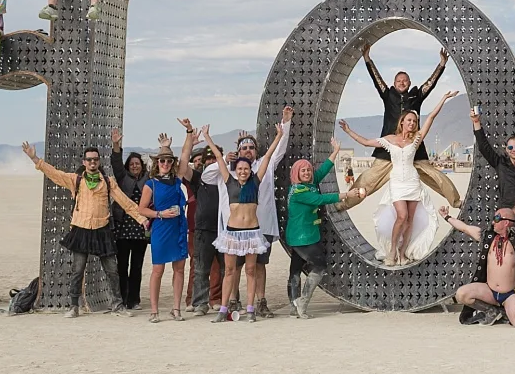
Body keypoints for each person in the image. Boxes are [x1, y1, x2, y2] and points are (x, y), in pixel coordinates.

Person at [182, 108, 292, 316]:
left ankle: (260, 302)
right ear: (238, 151)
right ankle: (232, 302)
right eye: (244, 148)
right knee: (233, 268)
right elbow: (206, 175)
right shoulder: (231, 171)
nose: (248, 150)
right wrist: (225, 158)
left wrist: (285, 124)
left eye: (251, 147)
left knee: (258, 266)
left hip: (261, 226)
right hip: (232, 228)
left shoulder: (263, 168)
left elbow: (277, 151)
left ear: (256, 151)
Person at [19, 140, 145, 317]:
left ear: (99, 161)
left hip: (102, 229)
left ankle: (117, 305)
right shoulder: (76, 179)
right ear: (84, 162)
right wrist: (35, 159)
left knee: (112, 270)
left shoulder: (108, 182)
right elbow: (55, 174)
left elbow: (125, 202)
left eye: (95, 159)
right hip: (81, 228)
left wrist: (141, 219)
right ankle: (74, 307)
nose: (93, 162)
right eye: (89, 160)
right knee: (77, 270)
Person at [337, 90, 460, 265]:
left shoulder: (416, 139)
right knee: (401, 216)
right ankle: (392, 252)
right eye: (409, 120)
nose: (412, 123)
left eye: (414, 121)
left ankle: (402, 254)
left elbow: (431, 117)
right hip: (397, 183)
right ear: (402, 122)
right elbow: (366, 142)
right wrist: (348, 131)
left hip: (412, 182)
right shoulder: (390, 139)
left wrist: (444, 98)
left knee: (409, 221)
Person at [286, 141, 363, 319]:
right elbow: (321, 199)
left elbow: (322, 171)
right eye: (303, 171)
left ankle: (294, 306)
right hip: (302, 237)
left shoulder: (308, 184)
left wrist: (336, 151)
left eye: (308, 170)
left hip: (301, 235)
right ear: (296, 173)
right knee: (319, 266)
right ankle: (302, 302)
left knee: (295, 269)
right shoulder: (299, 191)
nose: (307, 173)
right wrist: (347, 195)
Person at [442, 203, 515, 328]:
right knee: (461, 294)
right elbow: (465, 228)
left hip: (510, 293)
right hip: (489, 291)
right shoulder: (488, 236)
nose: (493, 222)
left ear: (506, 222)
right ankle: (492, 311)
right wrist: (447, 217)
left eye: (496, 219)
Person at [139, 134, 191, 323]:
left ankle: (176, 309)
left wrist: (189, 133)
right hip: (161, 228)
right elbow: (141, 209)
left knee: (179, 269)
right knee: (158, 269)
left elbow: (185, 154)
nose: (166, 164)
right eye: (162, 160)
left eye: (169, 161)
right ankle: (154, 311)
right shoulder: (151, 184)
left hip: (178, 227)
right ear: (157, 162)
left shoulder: (177, 180)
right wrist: (160, 214)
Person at [108, 129, 151, 310]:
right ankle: (122, 299)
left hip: (141, 228)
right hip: (123, 228)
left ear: (142, 165)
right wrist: (116, 145)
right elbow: (116, 163)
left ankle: (134, 300)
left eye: (137, 163)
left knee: (137, 266)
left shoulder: (148, 179)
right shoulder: (122, 177)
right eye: (132, 164)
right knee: (122, 266)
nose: (134, 166)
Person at [184, 140, 222, 315]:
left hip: (223, 229)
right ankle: (199, 302)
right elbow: (183, 166)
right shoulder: (199, 179)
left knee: (224, 268)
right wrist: (189, 142)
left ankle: (220, 299)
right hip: (202, 229)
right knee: (200, 268)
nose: (212, 162)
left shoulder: (226, 178)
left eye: (215, 158)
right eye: (209, 159)